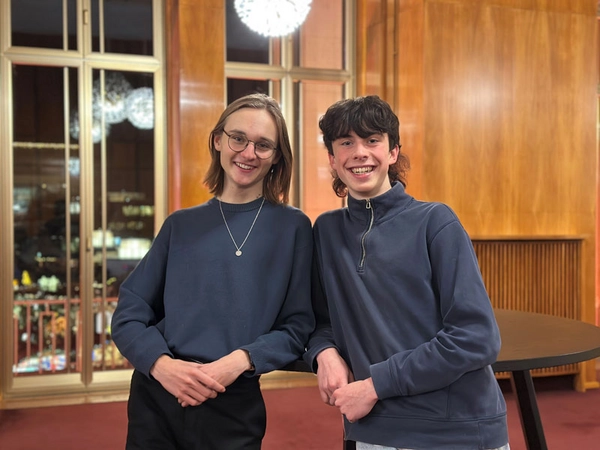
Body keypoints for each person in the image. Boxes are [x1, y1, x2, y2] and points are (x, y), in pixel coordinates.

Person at [304, 95, 509, 450]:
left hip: (455, 427)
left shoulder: (435, 221)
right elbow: (321, 320)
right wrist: (323, 352)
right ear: (332, 159)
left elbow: (476, 337)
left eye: (372, 140)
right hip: (372, 427)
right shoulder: (326, 231)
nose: (359, 152)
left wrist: (374, 385)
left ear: (393, 152)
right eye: (346, 142)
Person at [111, 93, 314, 450]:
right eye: (238, 138)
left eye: (263, 145)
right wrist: (161, 366)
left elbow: (298, 325)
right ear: (218, 140)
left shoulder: (293, 228)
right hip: (157, 394)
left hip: (233, 398)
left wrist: (239, 362)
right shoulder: (180, 225)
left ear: (277, 157)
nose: (248, 153)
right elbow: (129, 312)